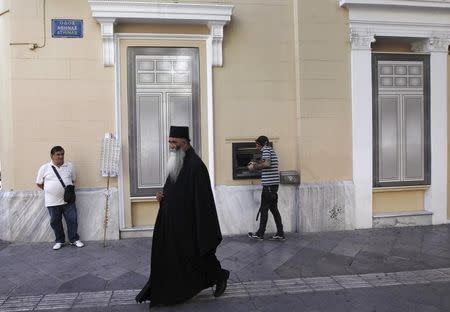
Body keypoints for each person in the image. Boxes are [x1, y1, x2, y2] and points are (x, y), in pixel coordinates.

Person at [136, 126, 229, 309]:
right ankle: (171, 292)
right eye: (169, 141)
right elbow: (173, 189)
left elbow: (203, 202)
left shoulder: (196, 166)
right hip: (173, 223)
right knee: (177, 260)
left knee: (200, 257)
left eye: (174, 142)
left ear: (185, 142)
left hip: (190, 226)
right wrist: (162, 197)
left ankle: (220, 276)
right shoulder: (177, 161)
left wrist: (199, 228)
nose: (171, 145)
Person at [36, 146, 84, 250]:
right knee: (55, 221)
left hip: (68, 201)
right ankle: (59, 241)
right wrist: (50, 190)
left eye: (62, 154)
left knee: (72, 220)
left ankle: (74, 239)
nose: (60, 156)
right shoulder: (44, 168)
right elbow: (39, 183)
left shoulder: (69, 166)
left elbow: (73, 180)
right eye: (58, 154)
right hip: (52, 202)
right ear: (52, 155)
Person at [247, 136, 285, 241]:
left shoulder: (266, 150)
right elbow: (266, 163)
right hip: (273, 186)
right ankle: (280, 233)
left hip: (268, 186)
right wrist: (257, 164)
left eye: (258, 144)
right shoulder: (270, 151)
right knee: (274, 210)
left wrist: (254, 167)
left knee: (264, 209)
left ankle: (260, 234)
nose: (256, 146)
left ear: (263, 144)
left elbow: (267, 164)